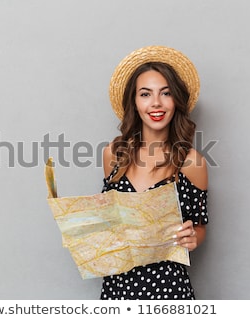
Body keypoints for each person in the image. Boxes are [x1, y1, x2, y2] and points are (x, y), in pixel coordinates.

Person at [100, 46, 208, 300]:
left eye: (166, 93)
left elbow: (200, 227)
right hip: (118, 289)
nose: (156, 103)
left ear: (176, 101)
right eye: (145, 94)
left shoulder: (192, 162)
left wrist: (193, 238)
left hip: (169, 290)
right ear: (134, 102)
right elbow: (108, 219)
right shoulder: (113, 154)